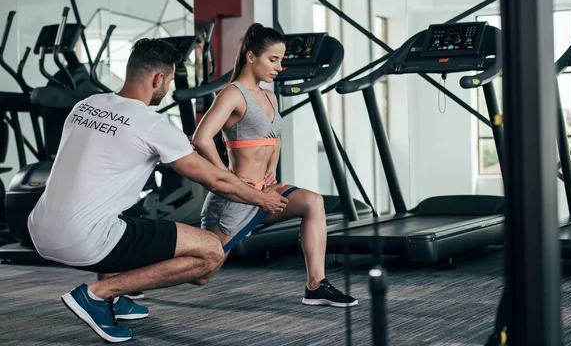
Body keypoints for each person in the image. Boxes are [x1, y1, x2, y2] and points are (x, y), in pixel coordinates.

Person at [27, 38, 289, 343]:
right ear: (158, 79)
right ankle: (98, 294)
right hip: (84, 240)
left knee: (121, 214)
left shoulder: (86, 105)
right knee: (210, 252)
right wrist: (262, 198)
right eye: (170, 80)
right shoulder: (153, 125)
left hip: (39, 231)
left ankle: (115, 297)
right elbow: (215, 182)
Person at [191, 23, 357, 308]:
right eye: (273, 59)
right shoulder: (233, 93)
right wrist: (224, 178)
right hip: (237, 198)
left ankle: (316, 285)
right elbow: (201, 138)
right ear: (251, 56)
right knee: (201, 273)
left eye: (281, 60)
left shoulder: (269, 95)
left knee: (313, 202)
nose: (279, 67)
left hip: (265, 191)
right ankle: (127, 279)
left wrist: (272, 166)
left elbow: (273, 136)